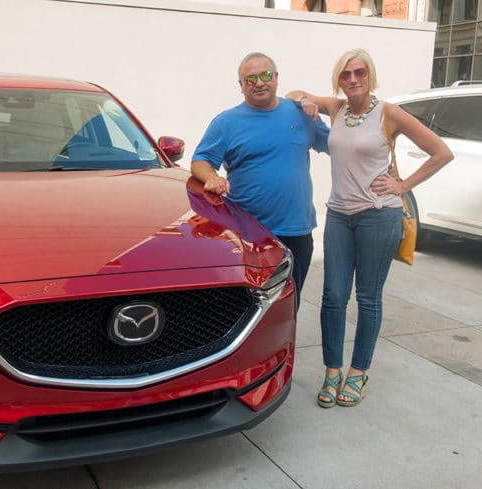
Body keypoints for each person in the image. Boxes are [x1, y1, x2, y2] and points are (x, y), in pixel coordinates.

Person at [287, 48, 453, 408]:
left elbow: (441, 151)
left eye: (359, 73)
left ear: (369, 75)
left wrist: (402, 185)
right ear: (339, 79)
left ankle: (359, 372)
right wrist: (306, 104)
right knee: (332, 296)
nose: (352, 80)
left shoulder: (388, 113)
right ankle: (333, 370)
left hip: (379, 215)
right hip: (339, 217)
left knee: (367, 297)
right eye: (346, 75)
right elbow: (293, 93)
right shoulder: (337, 108)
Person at [191, 52, 330, 310]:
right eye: (250, 78)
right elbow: (200, 160)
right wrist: (212, 177)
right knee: (248, 308)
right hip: (250, 233)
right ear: (241, 86)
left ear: (276, 78)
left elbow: (337, 145)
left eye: (266, 75)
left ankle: (280, 351)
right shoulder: (226, 122)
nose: (259, 83)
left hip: (297, 231)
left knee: (288, 306)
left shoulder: (301, 113)